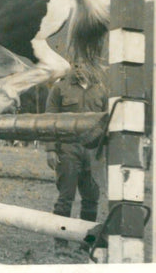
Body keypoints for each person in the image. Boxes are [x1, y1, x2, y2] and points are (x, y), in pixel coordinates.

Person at [44, 62, 108, 254]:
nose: (79, 68)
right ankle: (61, 242)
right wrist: (51, 149)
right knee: (65, 198)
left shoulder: (101, 90)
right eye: (76, 64)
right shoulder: (60, 88)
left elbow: (107, 121)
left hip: (93, 153)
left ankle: (86, 243)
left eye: (83, 64)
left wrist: (104, 153)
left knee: (91, 199)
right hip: (68, 149)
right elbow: (49, 120)